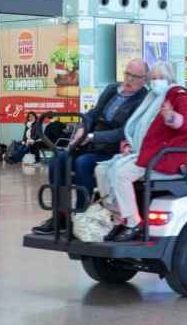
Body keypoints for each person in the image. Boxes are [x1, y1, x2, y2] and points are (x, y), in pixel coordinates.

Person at [32, 59, 149, 234]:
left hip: (113, 149)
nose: (129, 79)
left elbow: (125, 131)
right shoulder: (112, 89)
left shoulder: (142, 99)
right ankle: (61, 216)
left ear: (144, 79)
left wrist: (93, 136)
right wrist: (81, 128)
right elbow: (94, 113)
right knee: (58, 159)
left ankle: (81, 214)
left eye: (134, 76)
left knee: (83, 163)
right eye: (127, 74)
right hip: (89, 142)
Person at [96, 63, 187, 241]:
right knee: (101, 170)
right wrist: (129, 143)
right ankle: (120, 217)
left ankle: (134, 222)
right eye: (153, 78)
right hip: (147, 152)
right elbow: (137, 127)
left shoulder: (179, 95)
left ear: (170, 78)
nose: (156, 82)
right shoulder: (152, 97)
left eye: (160, 78)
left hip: (166, 156)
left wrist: (172, 117)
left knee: (121, 174)